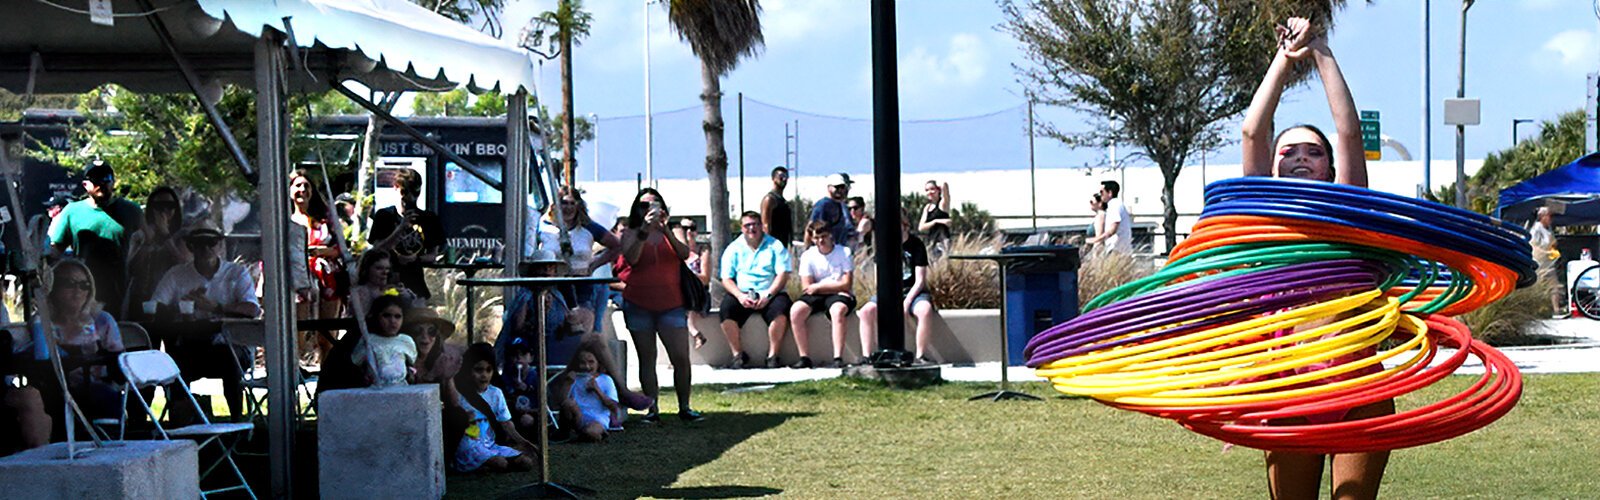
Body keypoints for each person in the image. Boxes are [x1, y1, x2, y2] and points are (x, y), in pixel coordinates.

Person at [1240, 17, 1386, 500]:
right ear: (1273, 166)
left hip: (1357, 385)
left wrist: (1320, 50)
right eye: (1289, 152)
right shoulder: (1263, 218)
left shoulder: (1348, 211)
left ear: (1329, 167)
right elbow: (1251, 132)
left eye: (1313, 152)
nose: (1300, 157)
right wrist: (1284, 58)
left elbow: (1348, 133)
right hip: (1288, 390)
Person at [150, 220, 260, 418]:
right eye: (200, 243)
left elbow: (252, 309)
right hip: (191, 344)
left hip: (231, 347)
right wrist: (181, 308)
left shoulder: (236, 272)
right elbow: (156, 306)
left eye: (212, 242)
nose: (206, 248)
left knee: (229, 358)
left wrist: (215, 307)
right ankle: (181, 422)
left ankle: (237, 422)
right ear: (190, 246)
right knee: (175, 362)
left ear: (220, 245)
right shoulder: (177, 274)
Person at [617, 188, 701, 422]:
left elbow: (685, 254)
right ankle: (652, 409)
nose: (649, 210)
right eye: (644, 206)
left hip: (671, 304)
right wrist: (644, 229)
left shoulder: (673, 231)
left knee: (680, 358)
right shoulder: (631, 232)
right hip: (638, 303)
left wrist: (664, 229)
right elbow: (632, 258)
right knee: (647, 358)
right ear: (637, 210)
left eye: (654, 205)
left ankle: (684, 406)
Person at [28, 259, 124, 438]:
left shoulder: (102, 320)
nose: (77, 291)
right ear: (53, 288)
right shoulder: (42, 322)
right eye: (69, 284)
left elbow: (119, 364)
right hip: (56, 391)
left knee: (105, 396)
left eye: (84, 285)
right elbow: (41, 359)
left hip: (98, 388)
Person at [48, 160, 142, 316]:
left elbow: (147, 242)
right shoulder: (72, 211)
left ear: (113, 182)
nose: (102, 184)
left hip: (120, 291)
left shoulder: (131, 210)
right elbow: (55, 250)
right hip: (82, 291)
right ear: (86, 185)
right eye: (96, 180)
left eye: (106, 179)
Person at [531, 186, 621, 333]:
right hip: (552, 285)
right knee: (552, 329)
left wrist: (593, 265)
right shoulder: (544, 227)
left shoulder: (588, 228)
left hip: (580, 285)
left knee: (582, 331)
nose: (568, 208)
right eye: (564, 203)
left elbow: (616, 246)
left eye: (572, 203)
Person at [858, 210, 939, 365]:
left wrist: (907, 302)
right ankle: (867, 356)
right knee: (866, 311)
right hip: (888, 292)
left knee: (925, 310)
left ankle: (920, 355)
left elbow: (920, 280)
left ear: (905, 226)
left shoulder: (916, 245)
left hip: (913, 291)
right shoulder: (884, 245)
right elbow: (879, 276)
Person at [718, 211, 794, 369]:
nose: (752, 228)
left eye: (755, 224)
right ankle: (738, 355)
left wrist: (768, 294)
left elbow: (783, 274)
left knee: (781, 312)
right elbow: (726, 278)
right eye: (747, 225)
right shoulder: (733, 248)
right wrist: (739, 296)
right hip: (742, 294)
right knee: (726, 310)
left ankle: (773, 356)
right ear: (741, 228)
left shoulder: (775, 245)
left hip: (771, 292)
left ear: (762, 226)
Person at [452, 343, 537, 473]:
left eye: (488, 370)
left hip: (489, 444)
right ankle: (480, 465)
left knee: (526, 462)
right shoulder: (459, 394)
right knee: (500, 463)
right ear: (469, 371)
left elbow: (506, 423)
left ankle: (490, 463)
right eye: (478, 370)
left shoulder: (496, 393)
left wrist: (523, 442)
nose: (484, 375)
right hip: (469, 446)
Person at [367, 168, 443, 302]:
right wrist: (400, 229)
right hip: (386, 281)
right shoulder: (384, 216)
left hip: (414, 283)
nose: (410, 198)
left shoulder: (429, 219)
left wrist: (415, 258)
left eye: (415, 192)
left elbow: (433, 255)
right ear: (396, 188)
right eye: (405, 192)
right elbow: (376, 249)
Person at [789, 221, 856, 368]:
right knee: (796, 311)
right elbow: (806, 287)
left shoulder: (843, 252)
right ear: (812, 239)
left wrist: (819, 287)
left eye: (824, 236)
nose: (821, 241)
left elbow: (846, 284)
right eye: (817, 238)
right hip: (819, 294)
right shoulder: (808, 256)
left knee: (837, 311)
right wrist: (826, 287)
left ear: (831, 235)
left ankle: (838, 357)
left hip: (838, 294)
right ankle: (804, 357)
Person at [124, 187, 187, 322]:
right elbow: (131, 268)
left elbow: (185, 265)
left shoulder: (182, 235)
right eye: (159, 207)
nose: (164, 211)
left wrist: (165, 235)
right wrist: (147, 242)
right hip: (141, 299)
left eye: (169, 206)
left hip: (171, 301)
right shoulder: (141, 235)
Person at [291, 169, 345, 322]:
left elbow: (341, 248)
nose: (302, 190)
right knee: (302, 330)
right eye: (297, 186)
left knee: (327, 334)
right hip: (298, 281)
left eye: (306, 186)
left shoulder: (325, 219)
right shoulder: (284, 220)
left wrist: (322, 251)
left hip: (327, 279)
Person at [557, 349, 622, 442]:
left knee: (590, 433)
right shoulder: (573, 378)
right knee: (568, 404)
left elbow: (614, 408)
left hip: (597, 419)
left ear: (598, 363)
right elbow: (561, 402)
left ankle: (596, 433)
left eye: (591, 362)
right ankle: (566, 433)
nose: (587, 366)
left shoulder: (606, 380)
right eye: (582, 363)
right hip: (578, 416)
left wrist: (597, 390)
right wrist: (567, 383)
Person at [352, 296, 415, 388]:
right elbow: (358, 363)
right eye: (386, 315)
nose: (392, 321)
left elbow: (411, 365)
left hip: (402, 390)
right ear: (377, 316)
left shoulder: (405, 341)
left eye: (397, 316)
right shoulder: (368, 340)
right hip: (375, 392)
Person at [673, 218, 713, 349]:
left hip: (699, 295)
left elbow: (705, 278)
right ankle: (693, 334)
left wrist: (687, 278)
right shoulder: (675, 253)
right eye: (684, 228)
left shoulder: (703, 250)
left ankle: (695, 333)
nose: (689, 231)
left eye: (692, 228)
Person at [348, 249, 420, 317]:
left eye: (387, 268)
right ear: (367, 270)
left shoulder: (390, 289)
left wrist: (405, 296)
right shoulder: (361, 292)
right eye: (379, 268)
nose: (385, 272)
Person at [808, 173, 857, 251]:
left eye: (843, 187)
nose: (841, 190)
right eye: (837, 187)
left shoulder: (841, 205)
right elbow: (811, 229)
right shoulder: (823, 205)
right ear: (829, 188)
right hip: (825, 253)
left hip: (839, 251)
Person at [1529, 206, 1563, 318]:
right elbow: (1533, 245)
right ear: (1542, 217)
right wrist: (1545, 252)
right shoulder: (1536, 229)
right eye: (1549, 215)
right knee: (1537, 288)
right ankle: (1536, 311)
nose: (1550, 218)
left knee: (1555, 286)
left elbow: (1552, 242)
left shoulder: (1548, 228)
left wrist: (1553, 249)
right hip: (1539, 263)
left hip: (1549, 263)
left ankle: (1556, 310)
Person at [1086, 181, 1133, 254]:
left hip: (1116, 250)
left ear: (1110, 193)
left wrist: (1095, 240)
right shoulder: (1116, 204)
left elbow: (1112, 230)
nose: (1100, 195)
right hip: (1121, 249)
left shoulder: (1114, 205)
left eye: (1102, 192)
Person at [918, 180, 952, 259]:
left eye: (932, 189)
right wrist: (936, 221)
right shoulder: (927, 207)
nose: (930, 192)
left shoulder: (943, 204)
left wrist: (941, 186)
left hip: (943, 241)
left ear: (938, 190)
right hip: (931, 242)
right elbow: (921, 227)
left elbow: (945, 186)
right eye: (927, 190)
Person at [761, 166, 794, 248]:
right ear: (774, 179)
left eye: (786, 177)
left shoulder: (783, 201)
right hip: (773, 246)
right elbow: (765, 224)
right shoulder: (770, 199)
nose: (784, 180)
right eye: (781, 177)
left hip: (783, 245)